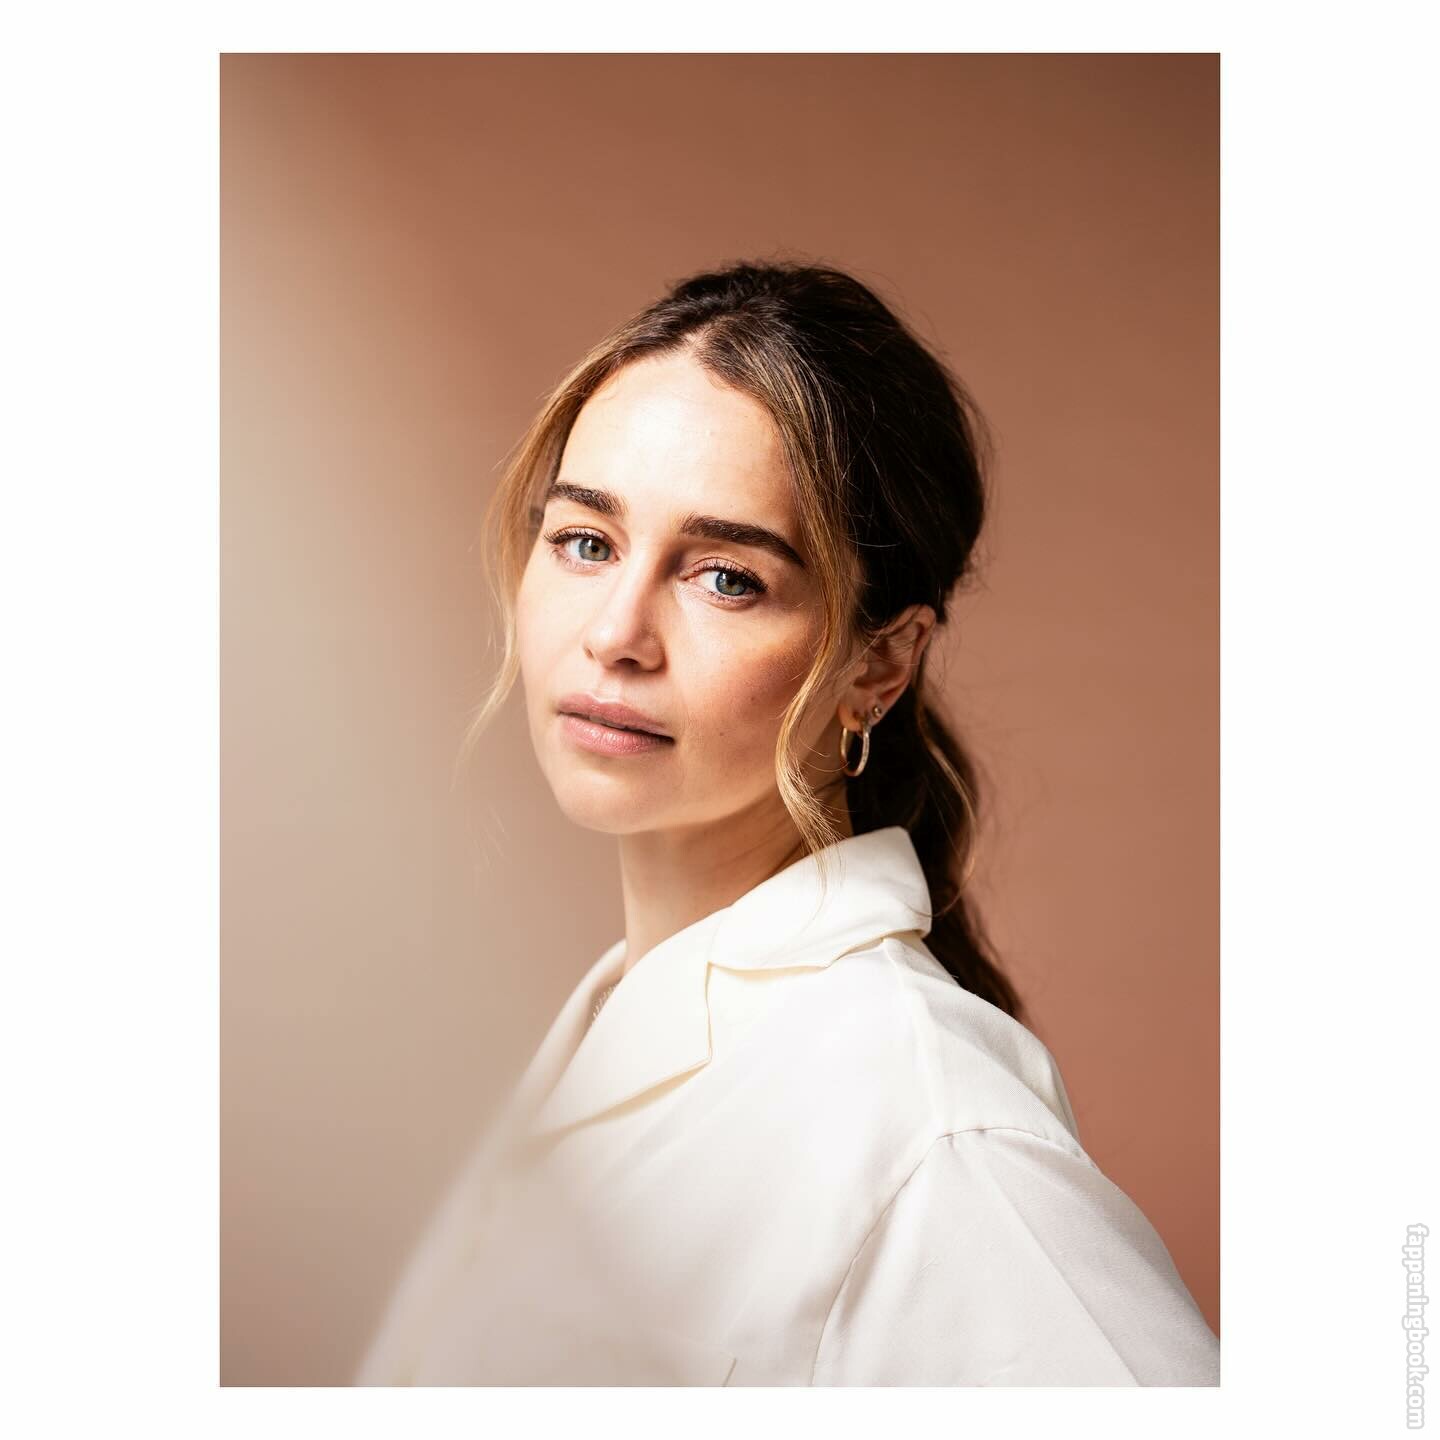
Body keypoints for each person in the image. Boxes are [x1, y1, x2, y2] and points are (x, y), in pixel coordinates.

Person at [354, 259, 1220, 1386]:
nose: (615, 633)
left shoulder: (930, 1133)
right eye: (586, 542)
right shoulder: (607, 1037)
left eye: (725, 578)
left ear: (880, 662)